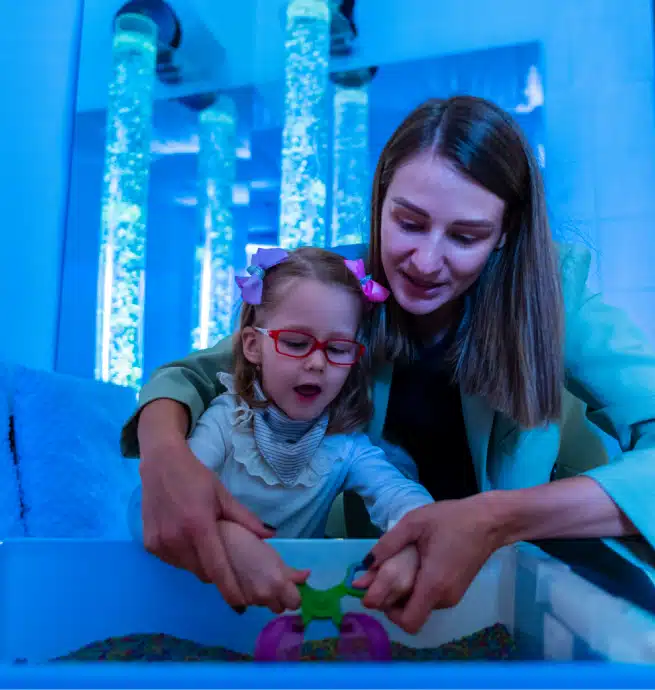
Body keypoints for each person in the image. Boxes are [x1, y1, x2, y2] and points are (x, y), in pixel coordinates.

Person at [122, 95, 655, 635]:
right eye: (408, 223)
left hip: (536, 578)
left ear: (504, 236)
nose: (425, 262)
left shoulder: (553, 295)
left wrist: (499, 518)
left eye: (465, 237)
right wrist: (165, 457)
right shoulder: (340, 288)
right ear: (379, 202)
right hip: (387, 584)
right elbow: (193, 376)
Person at [128, 245, 434, 614]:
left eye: (337, 348)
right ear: (254, 346)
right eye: (295, 343)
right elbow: (154, 504)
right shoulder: (226, 423)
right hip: (197, 605)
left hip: (287, 619)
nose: (318, 362)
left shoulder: (345, 446)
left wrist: (411, 545)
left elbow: (400, 496)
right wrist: (226, 535)